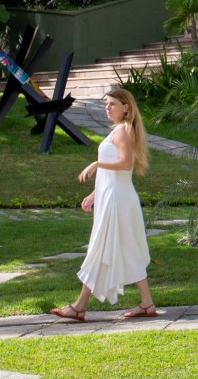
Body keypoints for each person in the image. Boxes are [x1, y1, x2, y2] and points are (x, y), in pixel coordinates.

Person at [50, 86, 159, 322]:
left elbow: (124, 164)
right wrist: (94, 194)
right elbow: (113, 174)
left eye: (112, 104)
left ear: (126, 108)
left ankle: (79, 306)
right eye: (106, 104)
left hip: (118, 200)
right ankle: (146, 303)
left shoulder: (122, 131)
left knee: (101, 248)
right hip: (112, 197)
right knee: (121, 248)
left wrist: (95, 165)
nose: (107, 108)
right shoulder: (118, 131)